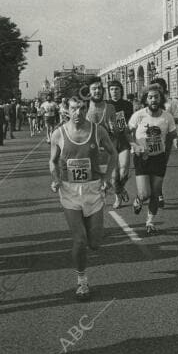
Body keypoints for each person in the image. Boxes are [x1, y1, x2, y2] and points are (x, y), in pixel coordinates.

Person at [49, 97, 116, 300]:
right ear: (67, 110)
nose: (77, 112)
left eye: (81, 108)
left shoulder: (98, 131)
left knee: (94, 243)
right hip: (69, 192)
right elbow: (52, 161)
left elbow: (113, 154)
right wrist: (56, 179)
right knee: (79, 240)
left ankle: (88, 243)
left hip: (93, 190)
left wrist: (106, 177)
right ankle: (82, 282)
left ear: (86, 109)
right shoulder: (58, 133)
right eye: (73, 108)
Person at [129, 84, 177, 234]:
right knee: (145, 194)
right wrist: (135, 146)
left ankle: (150, 221)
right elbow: (126, 134)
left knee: (155, 193)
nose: (154, 100)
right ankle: (138, 199)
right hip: (142, 158)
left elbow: (170, 139)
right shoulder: (139, 115)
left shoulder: (167, 117)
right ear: (145, 99)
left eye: (156, 97)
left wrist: (166, 157)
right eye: (150, 97)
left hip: (159, 158)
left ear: (161, 98)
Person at [107, 79, 134, 208]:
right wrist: (109, 125)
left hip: (123, 139)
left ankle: (120, 188)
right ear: (109, 92)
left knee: (124, 172)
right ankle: (118, 195)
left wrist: (127, 126)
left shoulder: (128, 105)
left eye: (117, 89)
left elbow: (131, 121)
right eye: (112, 89)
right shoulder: (105, 105)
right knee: (113, 175)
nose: (114, 92)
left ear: (121, 91)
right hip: (110, 140)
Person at [86, 78, 117, 177]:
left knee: (108, 183)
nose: (97, 91)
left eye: (99, 88)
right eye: (94, 89)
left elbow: (118, 131)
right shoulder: (84, 108)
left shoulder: (111, 107)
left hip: (107, 152)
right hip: (87, 152)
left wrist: (114, 128)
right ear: (89, 92)